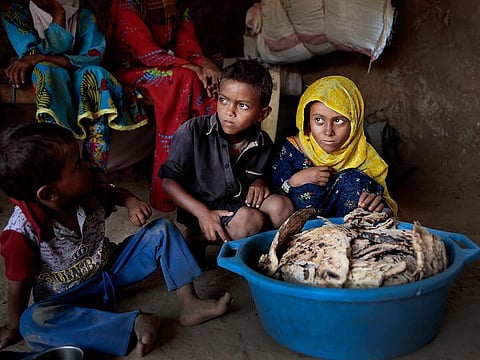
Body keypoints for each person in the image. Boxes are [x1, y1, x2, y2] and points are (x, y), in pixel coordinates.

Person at [0, 122, 231, 357]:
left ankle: (190, 304)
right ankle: (133, 324)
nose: (88, 165)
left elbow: (113, 192)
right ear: (50, 193)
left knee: (162, 229)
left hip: (108, 272)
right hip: (67, 298)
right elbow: (18, 283)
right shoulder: (21, 233)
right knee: (32, 323)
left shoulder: (85, 192)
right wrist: (13, 326)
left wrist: (130, 201)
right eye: (78, 164)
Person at [1, 0, 148, 184]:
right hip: (48, 74)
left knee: (97, 74)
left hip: (76, 71)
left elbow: (93, 57)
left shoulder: (83, 12)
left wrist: (42, 55)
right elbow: (30, 56)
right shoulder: (15, 12)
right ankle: (59, 167)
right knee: (46, 70)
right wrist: (58, 15)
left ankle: (96, 169)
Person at [159, 59, 294, 257]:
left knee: (282, 206)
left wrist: (260, 181)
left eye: (242, 106)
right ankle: (197, 238)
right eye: (223, 100)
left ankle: (263, 254)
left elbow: (265, 173)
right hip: (202, 206)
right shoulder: (193, 131)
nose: (229, 112)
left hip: (238, 200)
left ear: (262, 114)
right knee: (251, 220)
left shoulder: (262, 141)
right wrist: (201, 213)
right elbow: (168, 182)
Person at [106, 0, 221, 212]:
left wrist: (204, 64)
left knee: (211, 82)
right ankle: (170, 183)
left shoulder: (177, 4)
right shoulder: (126, 3)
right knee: (184, 79)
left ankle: (208, 174)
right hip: (129, 69)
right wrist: (188, 66)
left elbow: (186, 44)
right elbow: (144, 50)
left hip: (170, 65)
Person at [272, 75, 398, 218]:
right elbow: (271, 202)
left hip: (348, 236)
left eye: (338, 121)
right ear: (307, 121)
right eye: (319, 120)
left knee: (352, 178)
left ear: (354, 122)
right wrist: (294, 181)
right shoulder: (291, 150)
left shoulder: (365, 157)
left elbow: (386, 210)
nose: (328, 131)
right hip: (301, 237)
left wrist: (379, 207)